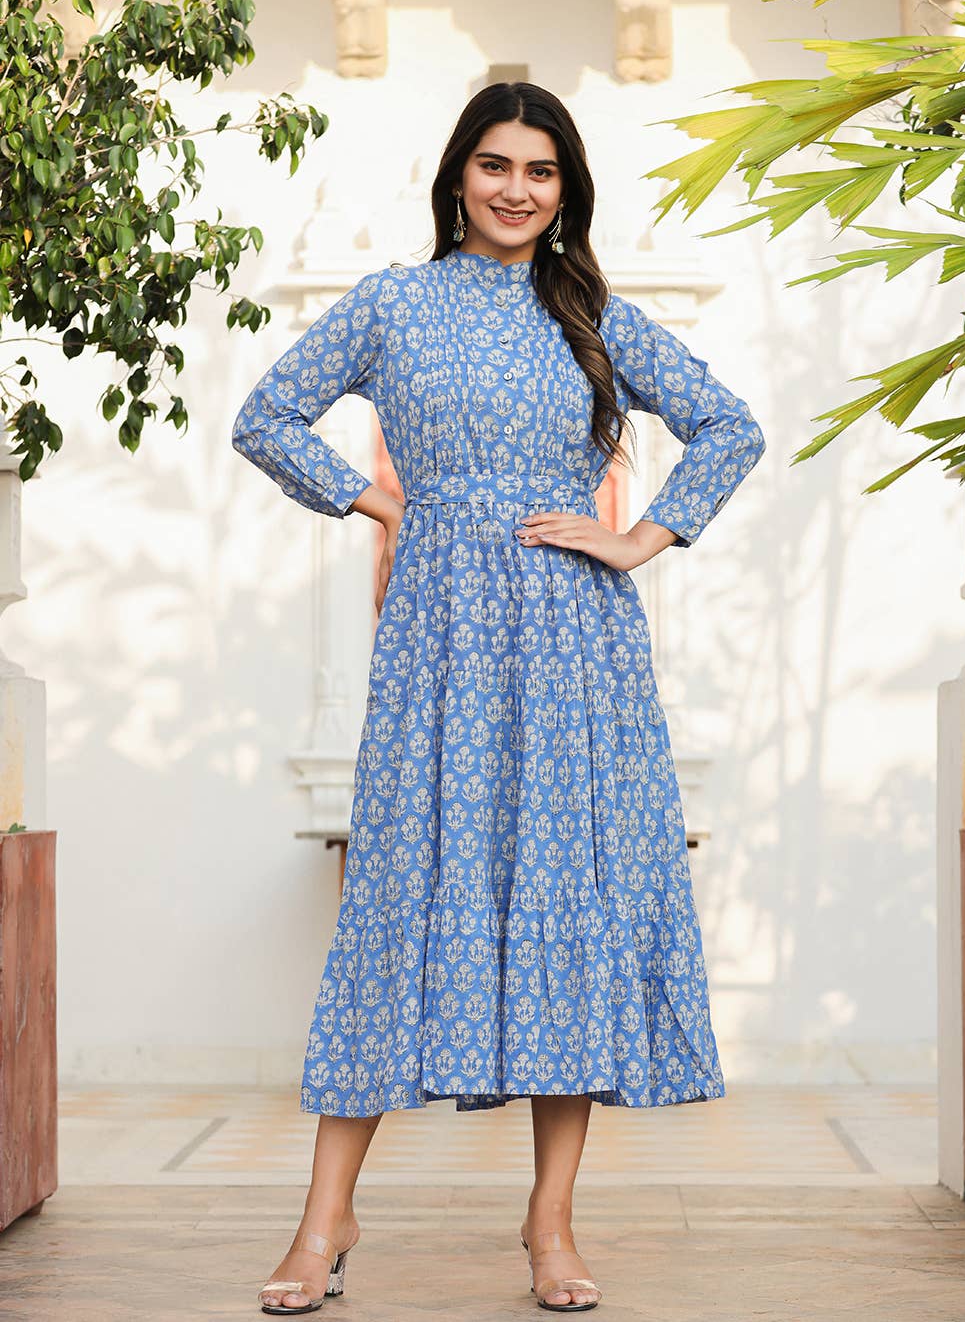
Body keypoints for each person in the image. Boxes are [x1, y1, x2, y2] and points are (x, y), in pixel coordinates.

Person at [232, 80, 765, 1317]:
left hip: (576, 648)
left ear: (565, 190)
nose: (515, 189)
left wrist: (638, 537)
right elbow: (265, 416)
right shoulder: (392, 304)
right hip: (438, 648)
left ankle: (550, 1223)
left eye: (540, 170)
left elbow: (728, 427)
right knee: (393, 909)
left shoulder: (594, 316)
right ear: (457, 177)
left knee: (564, 910)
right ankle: (322, 1221)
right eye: (494, 164)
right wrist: (375, 499)